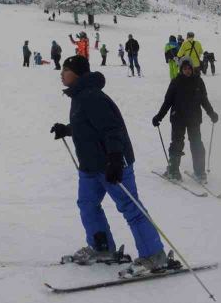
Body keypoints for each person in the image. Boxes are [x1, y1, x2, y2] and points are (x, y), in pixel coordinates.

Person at [50, 56, 168, 276]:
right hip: (90, 166)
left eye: (64, 69)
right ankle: (102, 248)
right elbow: (88, 127)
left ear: (76, 73)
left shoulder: (92, 97)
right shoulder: (80, 95)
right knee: (87, 204)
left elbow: (111, 130)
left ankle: (154, 255)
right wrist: (67, 130)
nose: (61, 73)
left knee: (130, 208)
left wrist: (115, 159)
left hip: (111, 164)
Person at [152, 58, 219, 182]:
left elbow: (204, 100)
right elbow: (168, 101)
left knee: (197, 144)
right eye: (184, 69)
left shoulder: (199, 82)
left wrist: (211, 113)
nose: (187, 71)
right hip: (178, 118)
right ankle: (173, 172)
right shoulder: (176, 82)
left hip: (194, 119)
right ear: (181, 69)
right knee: (177, 143)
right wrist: (159, 116)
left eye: (189, 68)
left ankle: (200, 172)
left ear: (192, 69)